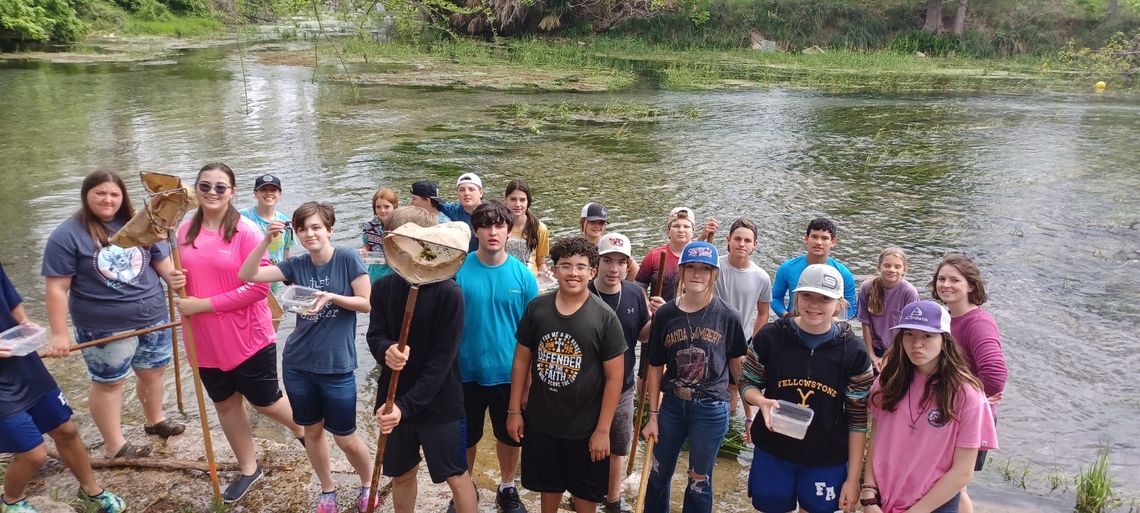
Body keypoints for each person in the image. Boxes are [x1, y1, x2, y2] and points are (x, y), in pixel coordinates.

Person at [172, 163, 305, 503]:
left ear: (231, 192)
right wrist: (172, 281)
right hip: (202, 339)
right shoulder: (184, 230)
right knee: (226, 404)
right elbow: (181, 273)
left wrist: (203, 305)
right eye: (205, 186)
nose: (212, 193)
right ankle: (249, 469)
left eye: (220, 187)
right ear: (196, 190)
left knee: (267, 402)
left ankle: (305, 430)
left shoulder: (245, 231)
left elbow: (259, 289)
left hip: (248, 335)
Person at [238, 201, 377, 513]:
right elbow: (247, 273)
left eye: (317, 227)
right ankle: (328, 490)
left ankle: (368, 482)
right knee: (311, 431)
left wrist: (331, 297)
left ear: (329, 229)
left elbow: (366, 303)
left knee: (346, 437)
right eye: (303, 229)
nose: (310, 233)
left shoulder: (347, 258)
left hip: (337, 365)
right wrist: (264, 240)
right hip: (298, 364)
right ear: (297, 233)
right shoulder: (296, 265)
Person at [42, 170, 186, 459]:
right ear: (86, 195)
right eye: (100, 193)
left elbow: (164, 265)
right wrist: (59, 334)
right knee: (110, 383)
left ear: (123, 197)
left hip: (154, 316)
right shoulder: (67, 235)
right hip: (103, 326)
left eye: (114, 194)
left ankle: (155, 420)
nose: (107, 199)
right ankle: (115, 445)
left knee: (154, 371)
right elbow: (57, 288)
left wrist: (176, 281)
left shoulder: (142, 224)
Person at [368, 206, 478, 513]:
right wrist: (386, 349)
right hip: (393, 397)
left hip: (439, 402)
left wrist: (406, 407)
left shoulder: (450, 294)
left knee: (456, 475)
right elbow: (374, 334)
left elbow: (441, 363)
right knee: (401, 474)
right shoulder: (383, 288)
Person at [740, 264, 873, 513]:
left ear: (840, 304)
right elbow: (747, 382)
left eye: (825, 298)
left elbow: (858, 420)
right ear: (795, 298)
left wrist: (853, 480)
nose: (814, 304)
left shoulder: (855, 352)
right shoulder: (770, 337)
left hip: (827, 456)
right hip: (774, 450)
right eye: (807, 296)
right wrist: (761, 401)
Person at [508, 236, 626, 513]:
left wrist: (603, 430)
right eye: (566, 266)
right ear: (555, 269)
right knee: (548, 487)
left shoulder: (604, 317)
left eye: (581, 267)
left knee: (585, 494)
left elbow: (615, 378)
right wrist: (514, 410)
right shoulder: (537, 308)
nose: (573, 273)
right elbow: (521, 359)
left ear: (592, 272)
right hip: (542, 421)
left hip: (585, 427)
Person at [1, 260, 128, 513]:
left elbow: (10, 298)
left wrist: (25, 323)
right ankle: (12, 500)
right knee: (33, 454)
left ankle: (91, 490)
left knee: (66, 430)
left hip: (24, 363)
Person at [860, 300, 998, 513]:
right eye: (909, 334)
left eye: (927, 336)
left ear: (945, 340)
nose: (916, 344)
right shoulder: (889, 380)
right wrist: (869, 493)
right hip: (882, 498)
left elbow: (962, 471)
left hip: (933, 504)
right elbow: (876, 439)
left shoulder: (967, 394)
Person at [641, 241, 747, 513]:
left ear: (714, 274)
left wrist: (749, 414)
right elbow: (654, 365)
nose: (697, 274)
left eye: (705, 269)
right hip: (673, 406)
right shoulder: (666, 314)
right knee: (657, 473)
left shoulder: (728, 316)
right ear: (681, 272)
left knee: (699, 481)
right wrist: (653, 415)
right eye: (691, 268)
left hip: (711, 407)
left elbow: (738, 366)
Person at [454, 200, 538, 513]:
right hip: (465, 371)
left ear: (508, 230)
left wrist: (529, 381)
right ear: (475, 230)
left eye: (499, 226)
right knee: (467, 436)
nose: (493, 232)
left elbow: (533, 335)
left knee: (510, 435)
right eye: (486, 226)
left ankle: (507, 486)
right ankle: (465, 487)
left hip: (509, 372)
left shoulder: (523, 277)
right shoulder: (458, 270)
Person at [930, 254, 1008, 513]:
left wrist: (974, 400)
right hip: (949, 411)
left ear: (971, 285)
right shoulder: (945, 317)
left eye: (955, 280)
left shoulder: (978, 322)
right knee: (950, 483)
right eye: (942, 279)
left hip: (968, 416)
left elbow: (995, 375)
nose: (946, 285)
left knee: (954, 483)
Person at [587, 233, 651, 513]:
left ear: (628, 265)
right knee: (585, 443)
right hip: (587, 386)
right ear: (597, 263)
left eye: (621, 262)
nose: (614, 269)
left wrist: (658, 318)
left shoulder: (636, 292)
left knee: (619, 446)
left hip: (623, 386)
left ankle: (613, 500)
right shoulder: (584, 290)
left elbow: (644, 336)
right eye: (608, 261)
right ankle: (585, 493)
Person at [710, 218, 768, 436]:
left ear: (755, 244)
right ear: (728, 240)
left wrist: (754, 342)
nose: (741, 244)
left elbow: (763, 313)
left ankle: (728, 426)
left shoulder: (761, 277)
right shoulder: (715, 267)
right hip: (712, 335)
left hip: (741, 340)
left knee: (735, 385)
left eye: (747, 240)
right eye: (737, 239)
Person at [770, 217, 857, 320]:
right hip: (794, 325)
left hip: (828, 328)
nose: (818, 242)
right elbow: (775, 298)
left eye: (824, 238)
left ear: (833, 242)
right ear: (806, 238)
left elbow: (851, 308)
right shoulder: (787, 268)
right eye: (814, 237)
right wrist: (786, 315)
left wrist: (833, 322)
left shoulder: (843, 274)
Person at [857, 247, 918, 373]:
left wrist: (887, 356)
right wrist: (872, 355)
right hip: (873, 347)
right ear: (879, 267)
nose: (892, 270)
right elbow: (865, 323)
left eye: (897, 267)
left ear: (904, 270)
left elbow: (906, 329)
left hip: (898, 348)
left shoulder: (909, 292)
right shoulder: (866, 287)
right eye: (887, 265)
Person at [636, 207, 699, 304]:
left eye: (686, 226)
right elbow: (640, 285)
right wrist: (648, 307)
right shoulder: (654, 256)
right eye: (676, 226)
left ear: (693, 232)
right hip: (659, 314)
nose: (681, 230)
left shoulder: (700, 257)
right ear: (668, 231)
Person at [237, 173, 296, 265]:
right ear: (255, 193)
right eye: (263, 190)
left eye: (273, 190)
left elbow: (286, 250)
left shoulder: (285, 221)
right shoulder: (241, 216)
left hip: (275, 274)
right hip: (249, 275)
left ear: (279, 194)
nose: (269, 193)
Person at [579, 203, 638, 281]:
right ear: (582, 222)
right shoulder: (576, 246)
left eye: (601, 222)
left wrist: (624, 288)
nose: (597, 226)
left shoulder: (609, 243)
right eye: (592, 222)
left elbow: (634, 269)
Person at [504, 179, 550, 275]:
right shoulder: (498, 227)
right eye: (513, 199)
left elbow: (541, 263)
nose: (518, 204)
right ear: (506, 200)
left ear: (528, 202)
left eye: (522, 200)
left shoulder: (539, 228)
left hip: (531, 281)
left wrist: (546, 275)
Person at [440, 172, 485, 252]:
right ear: (457, 194)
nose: (466, 193)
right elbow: (431, 201)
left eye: (471, 189)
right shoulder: (452, 210)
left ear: (481, 193)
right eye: (462, 190)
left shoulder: (491, 213)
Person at [361, 187, 398, 282]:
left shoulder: (401, 225)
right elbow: (367, 246)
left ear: (394, 206)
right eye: (378, 207)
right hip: (375, 272)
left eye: (386, 206)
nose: (382, 210)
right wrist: (363, 250)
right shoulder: (368, 226)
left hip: (396, 272)